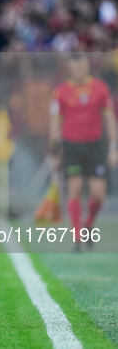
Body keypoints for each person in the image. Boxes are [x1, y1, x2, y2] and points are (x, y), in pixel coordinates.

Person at [49, 53, 118, 251]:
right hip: (71, 146)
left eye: (82, 66)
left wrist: (114, 147)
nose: (79, 70)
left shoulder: (100, 88)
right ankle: (77, 237)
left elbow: (110, 118)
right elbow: (55, 122)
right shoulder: (61, 92)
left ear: (87, 67)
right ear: (70, 69)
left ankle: (88, 225)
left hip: (96, 145)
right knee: (75, 190)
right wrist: (55, 150)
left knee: (98, 195)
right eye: (75, 66)